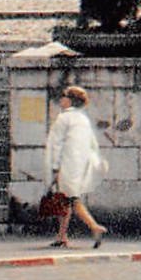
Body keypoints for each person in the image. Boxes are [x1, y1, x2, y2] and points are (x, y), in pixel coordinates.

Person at [44, 85, 108, 248]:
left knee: (72, 200)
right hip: (79, 167)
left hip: (66, 166)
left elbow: (56, 144)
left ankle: (94, 227)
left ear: (70, 100)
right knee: (66, 201)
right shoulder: (83, 119)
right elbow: (91, 144)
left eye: (64, 96)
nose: (61, 99)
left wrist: (55, 167)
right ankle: (62, 236)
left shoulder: (63, 118)